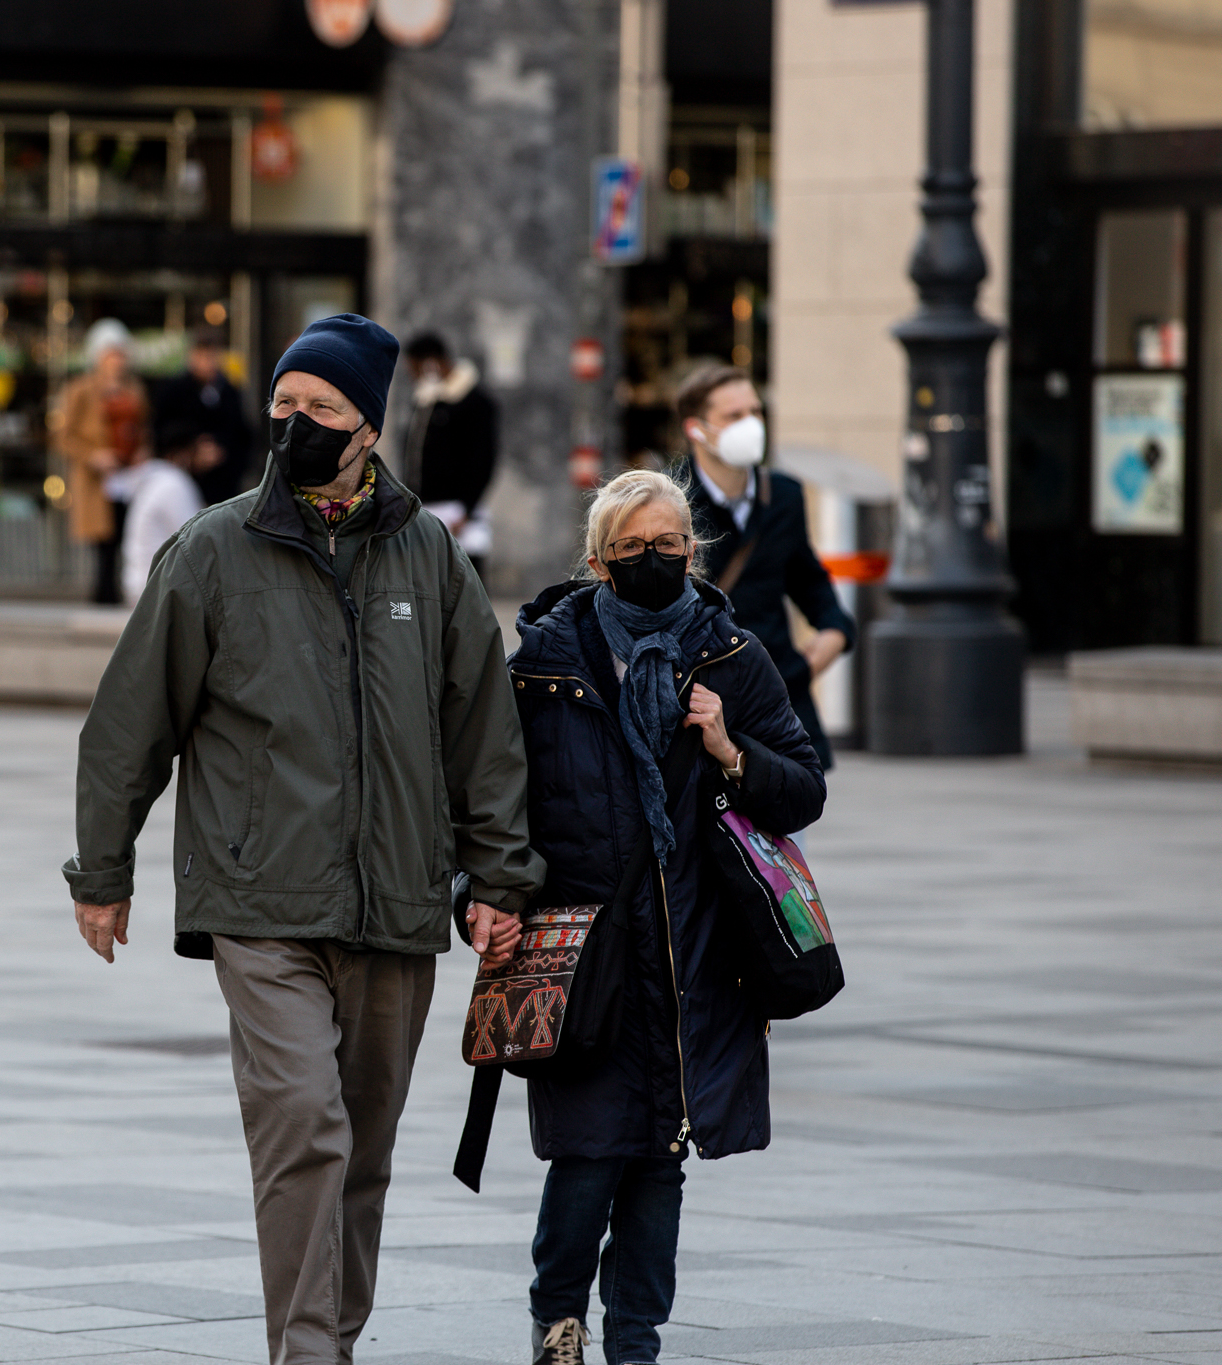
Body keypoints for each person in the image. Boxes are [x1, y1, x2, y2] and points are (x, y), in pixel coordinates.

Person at [65, 313, 545, 1365]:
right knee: (304, 1132)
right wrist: (101, 872)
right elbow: (127, 725)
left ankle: (334, 1337)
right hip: (260, 902)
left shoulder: (429, 556)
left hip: (396, 904)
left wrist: (497, 880)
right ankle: (307, 1357)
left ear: (367, 427)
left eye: (319, 409)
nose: (295, 424)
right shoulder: (210, 550)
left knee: (361, 1154)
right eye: (282, 404)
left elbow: (484, 738)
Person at [508, 469, 826, 1365]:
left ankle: (635, 1344)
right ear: (600, 561)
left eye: (670, 545)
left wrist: (728, 746)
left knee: (659, 1160)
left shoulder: (733, 655)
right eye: (633, 549)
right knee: (586, 1154)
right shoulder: (545, 662)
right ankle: (557, 1314)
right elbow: (490, 802)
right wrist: (480, 896)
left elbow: (802, 790)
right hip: (584, 954)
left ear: (694, 548)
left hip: (696, 952)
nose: (654, 560)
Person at [667, 364, 854, 768]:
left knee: (789, 820)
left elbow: (806, 577)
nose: (751, 425)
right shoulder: (667, 500)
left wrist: (835, 631)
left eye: (755, 412)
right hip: (697, 705)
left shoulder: (782, 495)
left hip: (776, 697)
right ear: (696, 429)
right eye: (734, 416)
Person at [56, 319, 149, 605]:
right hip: (97, 479)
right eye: (111, 354)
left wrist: (141, 452)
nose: (116, 361)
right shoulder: (80, 390)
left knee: (127, 533)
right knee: (103, 540)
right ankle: (103, 592)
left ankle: (119, 590)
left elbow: (142, 428)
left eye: (120, 354)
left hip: (127, 475)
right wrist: (93, 457)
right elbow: (64, 435)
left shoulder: (134, 389)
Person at [404, 332, 499, 577]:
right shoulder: (427, 399)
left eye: (416, 368)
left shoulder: (475, 402)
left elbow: (483, 460)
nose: (413, 375)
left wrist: (467, 509)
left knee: (464, 577)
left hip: (458, 510)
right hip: (425, 505)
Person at [154, 326, 254, 506]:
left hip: (222, 488)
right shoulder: (173, 391)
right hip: (182, 485)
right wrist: (192, 449)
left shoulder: (230, 392)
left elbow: (241, 434)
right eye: (202, 356)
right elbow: (161, 432)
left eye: (212, 356)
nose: (207, 363)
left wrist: (221, 451)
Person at [120, 419, 205, 607]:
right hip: (158, 589)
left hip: (140, 583)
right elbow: (195, 540)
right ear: (182, 454)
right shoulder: (174, 483)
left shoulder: (154, 481)